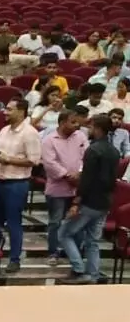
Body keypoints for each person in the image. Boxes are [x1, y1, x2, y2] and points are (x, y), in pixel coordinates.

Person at [59, 114, 121, 284]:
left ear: (98, 128)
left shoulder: (92, 150)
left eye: (91, 127)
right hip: (105, 201)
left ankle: (79, 269)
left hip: (90, 201)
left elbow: (87, 179)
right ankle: (92, 274)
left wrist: (76, 202)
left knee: (64, 233)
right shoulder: (114, 150)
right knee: (93, 240)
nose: (88, 130)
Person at [0, 98, 41, 272]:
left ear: (21, 111)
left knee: (14, 222)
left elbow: (34, 160)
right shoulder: (4, 130)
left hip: (17, 183)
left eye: (9, 109)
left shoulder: (30, 133)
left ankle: (14, 259)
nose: (5, 112)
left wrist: (9, 159)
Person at [40, 108, 88, 264]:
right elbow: (49, 163)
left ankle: (74, 251)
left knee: (78, 220)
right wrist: (67, 175)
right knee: (55, 221)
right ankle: (53, 252)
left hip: (78, 186)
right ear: (61, 123)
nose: (76, 125)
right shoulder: (49, 140)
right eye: (72, 122)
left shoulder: (80, 136)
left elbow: (86, 157)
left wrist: (80, 173)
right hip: (57, 188)